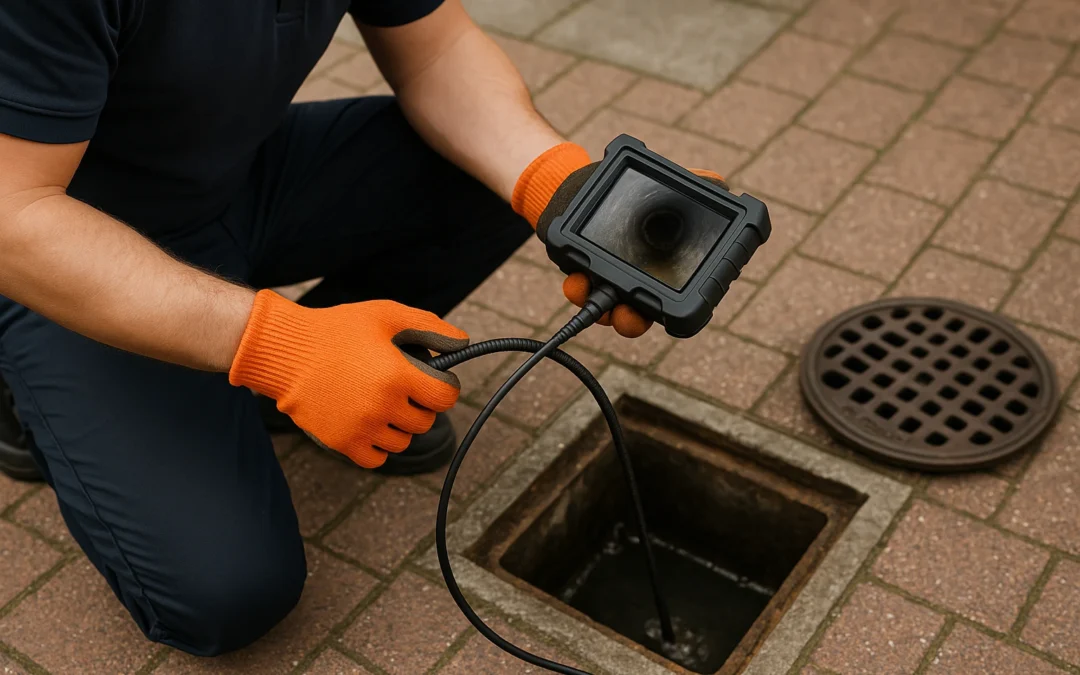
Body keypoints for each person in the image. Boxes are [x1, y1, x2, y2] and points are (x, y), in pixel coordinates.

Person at [0, 0, 719, 656]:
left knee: (488, 177)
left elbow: (435, 52)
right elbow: (15, 215)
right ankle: (25, 379)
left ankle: (296, 372)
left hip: (230, 176)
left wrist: (563, 190)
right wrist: (280, 347)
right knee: (227, 590)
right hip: (63, 241)